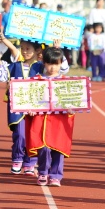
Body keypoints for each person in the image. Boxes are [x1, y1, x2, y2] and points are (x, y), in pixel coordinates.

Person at [0, 35, 69, 175]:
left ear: (37, 51)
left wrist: (57, 49)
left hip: (37, 108)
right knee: (20, 134)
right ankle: (17, 159)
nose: (24, 51)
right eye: (22, 48)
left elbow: (62, 69)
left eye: (28, 49)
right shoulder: (14, 66)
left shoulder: (41, 67)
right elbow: (0, 76)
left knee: (33, 134)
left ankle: (30, 162)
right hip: (17, 107)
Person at [25, 47, 77, 186]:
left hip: (59, 121)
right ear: (44, 63)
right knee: (43, 148)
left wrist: (71, 109)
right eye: (50, 64)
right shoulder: (36, 81)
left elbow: (72, 102)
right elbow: (30, 99)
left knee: (58, 148)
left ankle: (55, 175)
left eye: (56, 64)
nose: (53, 67)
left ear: (61, 64)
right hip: (41, 120)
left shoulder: (66, 83)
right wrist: (30, 109)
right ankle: (43, 172)